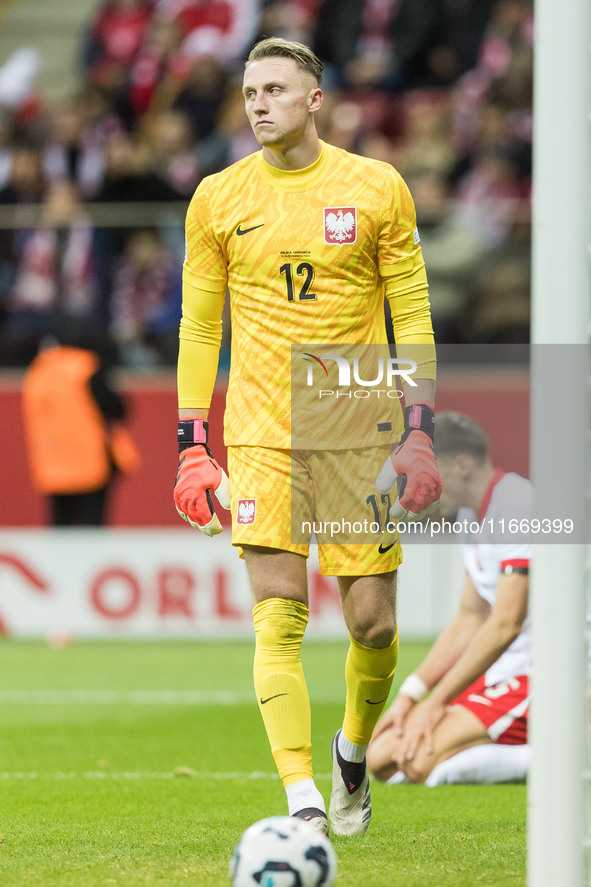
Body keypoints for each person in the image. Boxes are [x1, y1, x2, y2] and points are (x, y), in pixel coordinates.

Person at [173, 36, 441, 836]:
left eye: (276, 90)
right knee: (279, 613)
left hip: (358, 432)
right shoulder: (217, 199)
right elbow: (198, 327)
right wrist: (193, 443)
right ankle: (302, 800)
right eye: (250, 90)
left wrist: (417, 431)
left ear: (314, 99)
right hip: (261, 433)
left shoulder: (375, 187)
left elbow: (413, 316)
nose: (258, 103)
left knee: (374, 625)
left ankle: (351, 752)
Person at [368, 411, 531, 787]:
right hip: (507, 675)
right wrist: (411, 696)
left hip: (547, 674)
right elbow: (469, 619)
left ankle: (562, 754)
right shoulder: (471, 517)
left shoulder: (518, 505)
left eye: (428, 468)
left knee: (418, 763)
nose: (419, 483)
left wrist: (437, 703)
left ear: (460, 465)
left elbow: (506, 623)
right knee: (381, 757)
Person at [22, 314, 140, 526]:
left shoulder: (37, 373)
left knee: (60, 531)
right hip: (90, 467)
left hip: (52, 467)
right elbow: (119, 408)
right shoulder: (87, 368)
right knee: (91, 537)